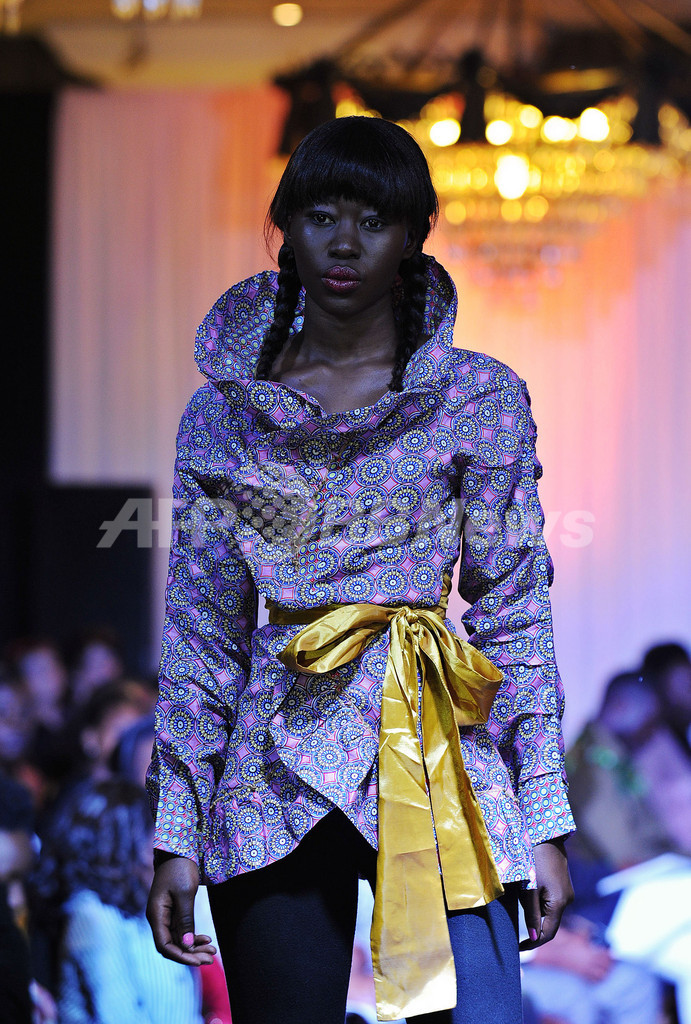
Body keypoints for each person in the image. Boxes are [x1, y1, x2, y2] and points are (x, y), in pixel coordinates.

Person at [146, 116, 574, 1024]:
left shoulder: (477, 397)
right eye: (321, 215)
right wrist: (175, 833)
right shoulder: (223, 415)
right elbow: (200, 632)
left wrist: (542, 816)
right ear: (285, 227)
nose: (344, 242)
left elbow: (514, 613)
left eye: (373, 220)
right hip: (272, 772)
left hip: (437, 748)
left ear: (415, 235)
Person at [35, 778, 203, 1024]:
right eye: (155, 839)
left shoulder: (141, 911)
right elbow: (121, 1017)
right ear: (125, 845)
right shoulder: (93, 915)